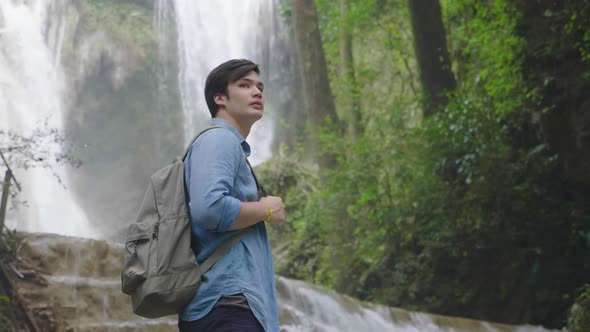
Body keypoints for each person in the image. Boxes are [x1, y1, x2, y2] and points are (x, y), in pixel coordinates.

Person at [179, 59, 286, 332]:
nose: (257, 92)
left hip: (230, 304)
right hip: (229, 304)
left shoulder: (228, 145)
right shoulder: (219, 140)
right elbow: (210, 208)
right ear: (219, 98)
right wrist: (267, 209)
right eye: (244, 85)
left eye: (260, 86)